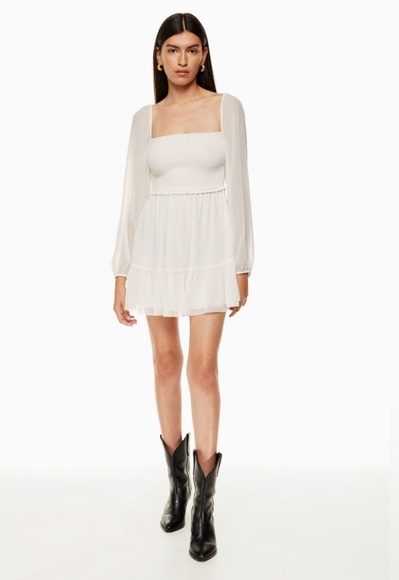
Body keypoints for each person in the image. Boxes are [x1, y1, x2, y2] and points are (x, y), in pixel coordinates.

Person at [111, 12, 254, 562]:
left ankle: (204, 504)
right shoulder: (144, 119)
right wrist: (121, 271)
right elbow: (132, 197)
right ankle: (176, 484)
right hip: (157, 247)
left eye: (192, 49)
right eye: (173, 50)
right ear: (158, 57)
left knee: (203, 367)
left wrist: (242, 261)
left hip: (211, 246)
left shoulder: (226, 108)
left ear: (204, 55)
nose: (182, 59)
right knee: (166, 361)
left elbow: (240, 186)